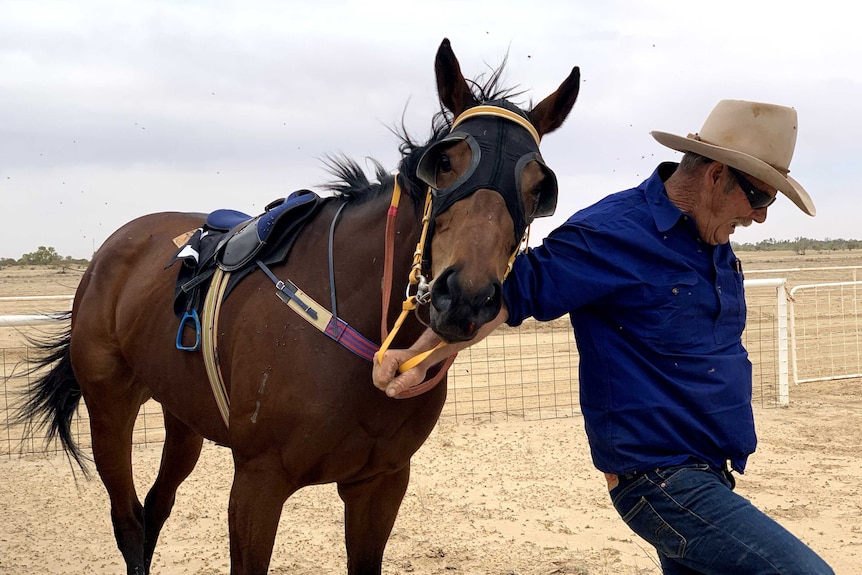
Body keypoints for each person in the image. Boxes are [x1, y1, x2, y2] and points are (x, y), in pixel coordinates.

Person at [373, 99, 834, 574]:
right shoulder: (612, 233)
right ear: (716, 175)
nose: (759, 217)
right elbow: (511, 296)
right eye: (759, 197)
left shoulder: (714, 245)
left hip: (713, 474)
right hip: (659, 482)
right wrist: (417, 354)